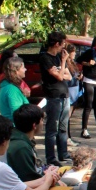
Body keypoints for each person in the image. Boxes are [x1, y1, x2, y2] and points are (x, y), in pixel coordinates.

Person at [7, 104, 62, 183]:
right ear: (34, 125)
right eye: (42, 120)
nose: (43, 123)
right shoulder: (21, 147)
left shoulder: (20, 140)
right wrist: (50, 177)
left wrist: (47, 170)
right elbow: (30, 178)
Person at [40, 30, 72, 167]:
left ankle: (63, 152)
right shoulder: (45, 58)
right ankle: (51, 157)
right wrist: (63, 62)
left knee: (63, 127)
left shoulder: (58, 58)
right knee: (52, 128)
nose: (63, 47)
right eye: (62, 44)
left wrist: (61, 69)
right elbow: (59, 76)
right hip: (53, 96)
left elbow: (68, 76)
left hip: (64, 95)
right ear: (57, 44)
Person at [0, 56, 30, 122]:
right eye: (23, 67)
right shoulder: (12, 89)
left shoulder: (8, 86)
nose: (25, 69)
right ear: (16, 71)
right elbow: (17, 115)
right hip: (15, 128)